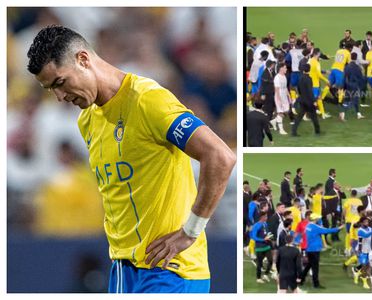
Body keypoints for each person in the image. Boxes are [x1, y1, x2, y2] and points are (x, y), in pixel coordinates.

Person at [27, 25, 236, 293]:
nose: (59, 97)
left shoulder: (147, 101)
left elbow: (219, 156)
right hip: (123, 272)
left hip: (171, 271)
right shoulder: (88, 119)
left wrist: (191, 232)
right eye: (50, 90)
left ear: (83, 59)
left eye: (60, 83)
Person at [300, 213, 343, 288]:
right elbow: (327, 231)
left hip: (309, 248)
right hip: (315, 250)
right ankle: (316, 284)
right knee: (315, 267)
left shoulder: (308, 225)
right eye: (318, 218)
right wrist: (338, 228)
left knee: (309, 265)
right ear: (315, 219)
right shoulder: (315, 227)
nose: (319, 219)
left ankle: (301, 279)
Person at [291, 64, 321, 136]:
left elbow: (298, 88)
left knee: (299, 117)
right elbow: (310, 91)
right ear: (309, 70)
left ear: (303, 70)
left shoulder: (300, 78)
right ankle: (317, 131)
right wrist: (314, 101)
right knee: (314, 117)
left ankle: (293, 131)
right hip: (309, 101)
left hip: (302, 100)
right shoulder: (309, 79)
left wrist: (301, 96)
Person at [308, 48, 331, 119]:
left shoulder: (309, 61)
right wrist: (326, 80)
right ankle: (310, 114)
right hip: (315, 84)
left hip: (310, 82)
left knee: (319, 99)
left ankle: (323, 114)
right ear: (317, 53)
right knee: (314, 100)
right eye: (319, 53)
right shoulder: (317, 63)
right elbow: (319, 74)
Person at [343, 52, 366, 120]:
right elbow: (360, 78)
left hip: (348, 84)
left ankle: (343, 114)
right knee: (355, 100)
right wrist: (361, 86)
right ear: (356, 58)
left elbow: (344, 76)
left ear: (350, 57)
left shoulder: (347, 66)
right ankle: (357, 114)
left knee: (346, 100)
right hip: (354, 85)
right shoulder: (357, 67)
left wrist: (344, 86)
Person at [273, 62, 291, 135]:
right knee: (280, 113)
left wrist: (289, 96)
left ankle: (274, 121)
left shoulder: (284, 76)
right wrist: (279, 100)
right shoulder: (277, 78)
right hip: (279, 96)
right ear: (281, 68)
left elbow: (285, 87)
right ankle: (281, 129)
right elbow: (276, 90)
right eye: (285, 67)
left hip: (284, 96)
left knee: (286, 110)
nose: (286, 69)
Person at [323, 168, 340, 242]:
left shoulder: (331, 181)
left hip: (336, 206)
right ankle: (333, 238)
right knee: (333, 223)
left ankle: (335, 237)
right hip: (333, 207)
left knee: (336, 222)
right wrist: (332, 209)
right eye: (335, 173)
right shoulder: (330, 182)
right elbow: (329, 197)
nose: (336, 174)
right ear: (332, 173)